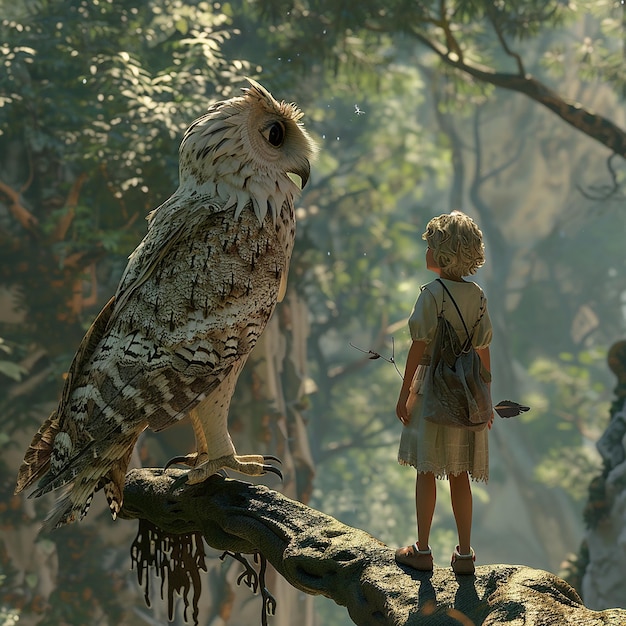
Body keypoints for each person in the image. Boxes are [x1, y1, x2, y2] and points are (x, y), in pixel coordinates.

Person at [394, 211, 493, 575]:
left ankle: (422, 549)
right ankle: (465, 555)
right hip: (467, 393)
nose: (426, 251)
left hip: (433, 390)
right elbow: (483, 350)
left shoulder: (432, 294)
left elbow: (418, 347)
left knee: (426, 470)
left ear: (444, 252)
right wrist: (485, 399)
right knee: (459, 474)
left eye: (431, 245)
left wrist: (404, 394)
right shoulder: (478, 296)